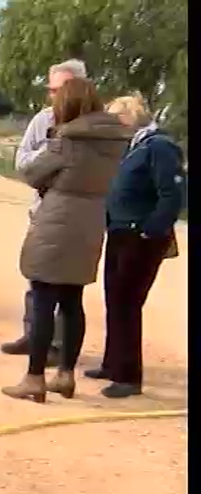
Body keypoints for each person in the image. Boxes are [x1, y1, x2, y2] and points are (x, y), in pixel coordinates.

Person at [1, 79, 132, 403]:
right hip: (90, 221)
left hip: (58, 219)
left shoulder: (66, 140)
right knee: (73, 302)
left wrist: (50, 148)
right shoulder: (116, 142)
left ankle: (35, 377)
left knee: (43, 298)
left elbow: (32, 172)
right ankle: (65, 374)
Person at [84, 96, 186, 399]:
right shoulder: (134, 146)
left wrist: (150, 230)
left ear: (130, 117)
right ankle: (112, 363)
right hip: (120, 232)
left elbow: (172, 194)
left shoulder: (159, 146)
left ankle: (129, 377)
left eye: (117, 119)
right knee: (114, 300)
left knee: (128, 304)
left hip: (139, 236)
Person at [1, 59, 90, 359]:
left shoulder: (94, 125)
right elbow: (24, 161)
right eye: (50, 89)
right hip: (44, 210)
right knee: (37, 281)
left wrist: (52, 163)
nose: (53, 96)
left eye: (59, 89)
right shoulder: (43, 119)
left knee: (68, 290)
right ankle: (34, 336)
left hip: (77, 218)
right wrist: (47, 159)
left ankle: (58, 350)